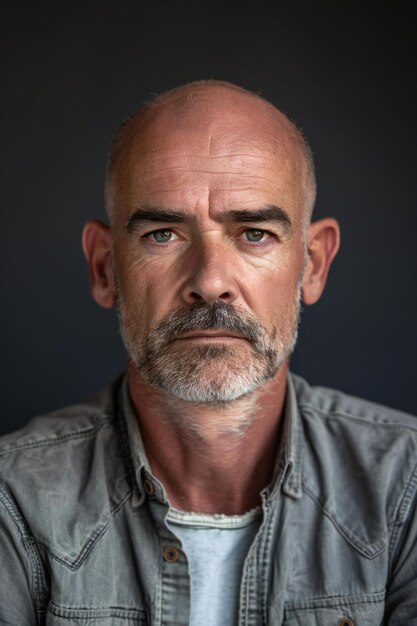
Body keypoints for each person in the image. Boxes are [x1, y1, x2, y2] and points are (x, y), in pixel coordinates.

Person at [0, 80, 416, 626]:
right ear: (104, 268)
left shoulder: (405, 490)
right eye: (163, 235)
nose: (211, 281)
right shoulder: (13, 503)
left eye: (255, 233)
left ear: (313, 263)